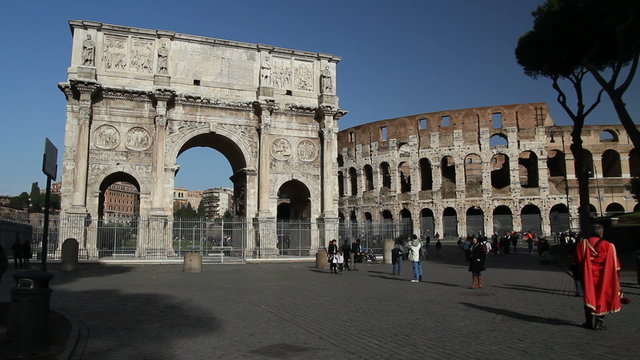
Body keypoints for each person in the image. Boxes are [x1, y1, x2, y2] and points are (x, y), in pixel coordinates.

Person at [573, 224, 623, 330]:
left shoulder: (583, 244)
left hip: (587, 277)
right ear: (601, 233)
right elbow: (616, 265)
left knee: (588, 297)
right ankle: (598, 323)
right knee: (602, 297)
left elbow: (576, 260)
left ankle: (589, 322)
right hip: (604, 277)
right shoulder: (609, 246)